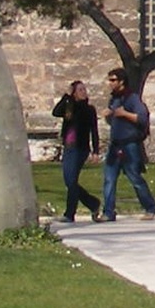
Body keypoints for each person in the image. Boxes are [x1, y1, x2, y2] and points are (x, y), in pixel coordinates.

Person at [99, 69, 155, 219]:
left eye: (113, 80)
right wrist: (110, 115)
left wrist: (124, 114)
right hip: (115, 144)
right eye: (109, 80)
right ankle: (108, 212)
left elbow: (142, 118)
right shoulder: (114, 99)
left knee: (134, 178)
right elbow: (114, 121)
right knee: (109, 178)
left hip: (129, 144)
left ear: (121, 82)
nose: (110, 83)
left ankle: (150, 207)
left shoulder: (132, 98)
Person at [51, 78, 102, 223]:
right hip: (68, 147)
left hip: (80, 148)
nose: (83, 92)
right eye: (80, 90)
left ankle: (70, 214)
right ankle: (92, 203)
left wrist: (96, 150)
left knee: (72, 181)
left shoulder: (89, 109)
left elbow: (94, 130)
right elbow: (56, 112)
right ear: (74, 93)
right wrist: (66, 96)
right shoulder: (69, 106)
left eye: (84, 89)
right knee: (69, 182)